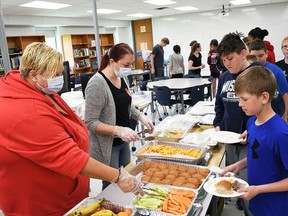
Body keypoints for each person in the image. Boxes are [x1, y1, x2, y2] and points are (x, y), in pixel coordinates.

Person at [0, 42, 143, 215]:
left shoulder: (39, 89)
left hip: (66, 188)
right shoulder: (28, 113)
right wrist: (118, 176)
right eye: (56, 74)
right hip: (45, 202)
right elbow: (69, 157)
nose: (62, 78)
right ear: (33, 75)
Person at [84, 43, 154, 190]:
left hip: (123, 142)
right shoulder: (97, 84)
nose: (128, 68)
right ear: (112, 62)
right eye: (126, 64)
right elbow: (90, 122)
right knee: (111, 185)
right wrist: (117, 130)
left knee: (126, 177)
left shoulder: (122, 78)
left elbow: (127, 105)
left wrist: (141, 116)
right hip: (108, 146)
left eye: (131, 64)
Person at [222, 66, 288, 216]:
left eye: (244, 99)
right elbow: (260, 154)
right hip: (257, 202)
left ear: (264, 97)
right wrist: (239, 164)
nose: (240, 104)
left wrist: (258, 189)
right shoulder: (252, 122)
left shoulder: (280, 134)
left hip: (275, 208)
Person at [213, 32, 260, 215]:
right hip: (229, 140)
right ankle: (242, 206)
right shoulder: (225, 77)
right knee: (235, 181)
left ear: (243, 53)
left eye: (230, 58)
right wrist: (218, 124)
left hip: (251, 142)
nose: (227, 63)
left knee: (249, 186)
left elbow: (272, 109)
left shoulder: (257, 75)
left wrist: (252, 129)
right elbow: (219, 105)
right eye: (224, 60)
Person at [249, 39, 288, 122]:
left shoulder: (276, 71)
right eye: (254, 56)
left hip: (274, 114)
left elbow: (284, 94)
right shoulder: (247, 71)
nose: (257, 60)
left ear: (266, 54)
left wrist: (284, 116)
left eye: (260, 56)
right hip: (253, 117)